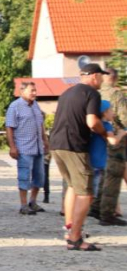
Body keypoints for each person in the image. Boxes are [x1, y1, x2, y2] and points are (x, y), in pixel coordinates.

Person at [49, 63, 108, 251]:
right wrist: (105, 134)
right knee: (86, 193)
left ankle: (70, 228)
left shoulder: (67, 93)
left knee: (73, 187)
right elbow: (92, 121)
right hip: (75, 145)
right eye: (101, 76)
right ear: (94, 76)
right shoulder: (92, 94)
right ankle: (75, 237)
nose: (102, 80)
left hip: (57, 145)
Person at [6, 82, 49, 215]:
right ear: (22, 91)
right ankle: (23, 205)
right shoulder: (15, 106)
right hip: (24, 147)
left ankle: (33, 201)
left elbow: (40, 124)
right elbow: (9, 127)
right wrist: (12, 146)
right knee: (24, 177)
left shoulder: (35, 105)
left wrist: (45, 140)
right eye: (32, 91)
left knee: (40, 176)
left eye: (35, 90)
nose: (35, 93)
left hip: (37, 147)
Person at [96, 67, 127, 226]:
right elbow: (125, 119)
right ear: (115, 78)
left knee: (103, 174)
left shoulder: (95, 93)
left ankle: (96, 207)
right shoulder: (116, 95)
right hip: (116, 139)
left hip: (99, 137)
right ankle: (108, 212)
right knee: (113, 177)